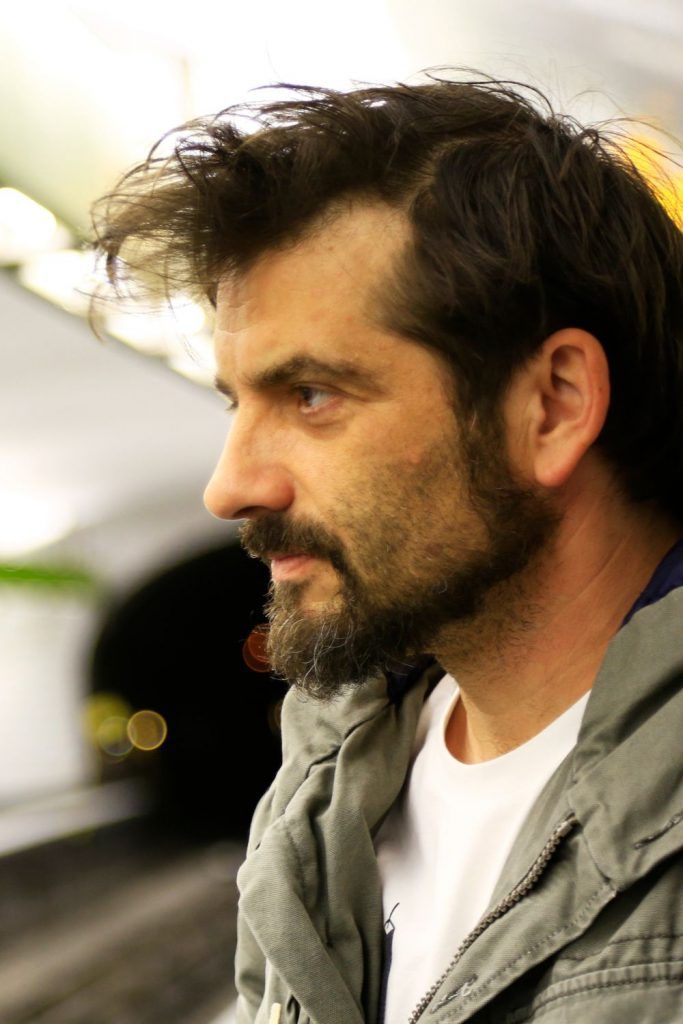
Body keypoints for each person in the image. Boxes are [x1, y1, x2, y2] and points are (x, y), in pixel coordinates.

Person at [92, 75, 683, 1023]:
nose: (229, 487)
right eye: (236, 403)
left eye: (311, 396)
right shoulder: (321, 797)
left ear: (553, 406)